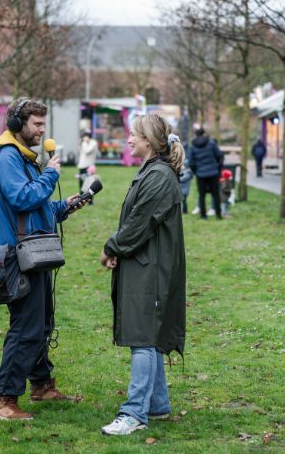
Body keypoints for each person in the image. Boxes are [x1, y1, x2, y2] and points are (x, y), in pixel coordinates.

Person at [0, 98, 84, 422]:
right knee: (26, 328)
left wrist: (63, 207)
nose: (42, 130)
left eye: (44, 124)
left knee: (42, 323)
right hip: (19, 255)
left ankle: (42, 385)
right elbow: (21, 198)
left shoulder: (26, 158)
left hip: (37, 251)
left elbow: (36, 206)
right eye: (37, 124)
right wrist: (51, 176)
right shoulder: (8, 157)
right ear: (17, 124)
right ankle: (4, 399)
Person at [99, 113, 186, 436]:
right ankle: (157, 403)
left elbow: (139, 223)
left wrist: (112, 247)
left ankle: (134, 413)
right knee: (146, 333)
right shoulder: (153, 172)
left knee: (143, 338)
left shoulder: (159, 176)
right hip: (146, 265)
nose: (129, 140)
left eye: (134, 135)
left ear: (149, 140)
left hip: (153, 270)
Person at [188, 128, 224, 220]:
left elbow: (191, 162)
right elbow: (219, 156)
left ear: (196, 135)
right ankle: (218, 215)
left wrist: (196, 171)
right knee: (215, 194)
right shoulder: (211, 143)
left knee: (201, 195)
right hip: (213, 172)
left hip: (200, 174)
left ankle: (203, 215)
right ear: (204, 134)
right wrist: (217, 168)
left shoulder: (193, 147)